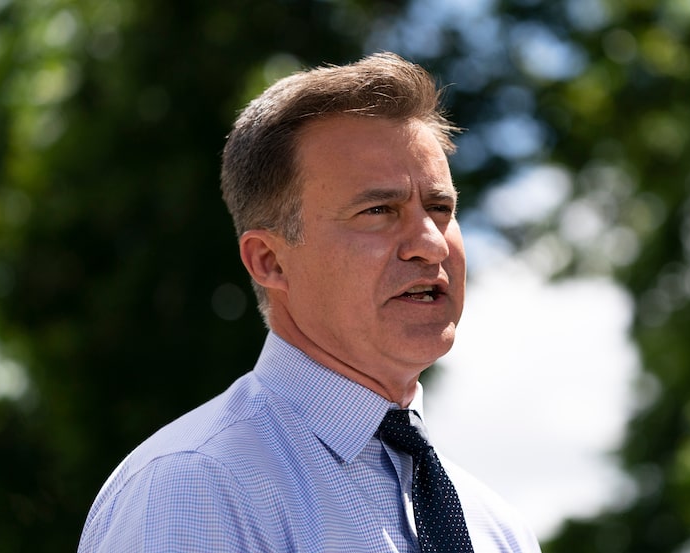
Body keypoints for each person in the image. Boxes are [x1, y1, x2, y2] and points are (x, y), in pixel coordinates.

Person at [78, 52, 541, 552]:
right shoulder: (196, 488)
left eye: (440, 207)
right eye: (379, 210)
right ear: (269, 261)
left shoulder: (498, 531)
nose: (430, 242)